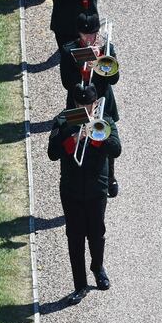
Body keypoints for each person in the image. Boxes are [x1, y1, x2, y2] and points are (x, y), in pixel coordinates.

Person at [48, 83, 121, 304]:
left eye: (88, 105)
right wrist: (74, 139)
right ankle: (79, 285)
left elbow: (116, 149)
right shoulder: (63, 121)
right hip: (71, 190)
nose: (85, 109)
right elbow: (52, 153)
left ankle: (98, 267)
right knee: (75, 239)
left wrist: (96, 136)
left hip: (96, 188)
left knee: (97, 233)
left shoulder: (104, 121)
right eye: (81, 105)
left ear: (95, 103)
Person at [60, 13, 120, 197]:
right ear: (79, 33)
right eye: (85, 35)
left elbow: (114, 78)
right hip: (78, 102)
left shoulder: (106, 48)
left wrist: (97, 63)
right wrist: (82, 67)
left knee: (106, 136)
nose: (89, 39)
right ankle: (78, 176)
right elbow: (67, 82)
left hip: (102, 100)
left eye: (93, 35)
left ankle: (109, 176)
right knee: (79, 135)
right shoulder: (69, 50)